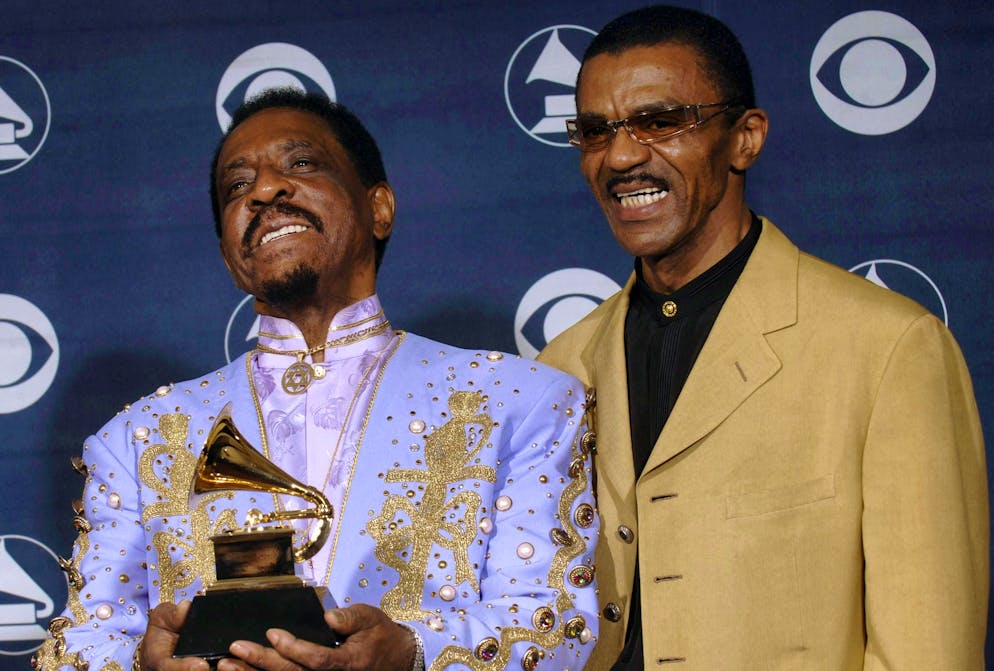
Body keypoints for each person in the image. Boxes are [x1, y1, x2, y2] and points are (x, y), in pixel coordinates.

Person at [34, 88, 599, 671]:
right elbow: (74, 650)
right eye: (237, 186)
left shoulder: (520, 402)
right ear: (231, 258)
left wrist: (412, 654)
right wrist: (143, 667)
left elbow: (554, 621)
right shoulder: (137, 439)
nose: (265, 189)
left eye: (301, 164)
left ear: (379, 208)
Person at [538, 5, 989, 669]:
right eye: (597, 132)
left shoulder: (889, 348)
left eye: (660, 121)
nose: (623, 155)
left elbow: (930, 650)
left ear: (745, 137)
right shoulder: (559, 368)